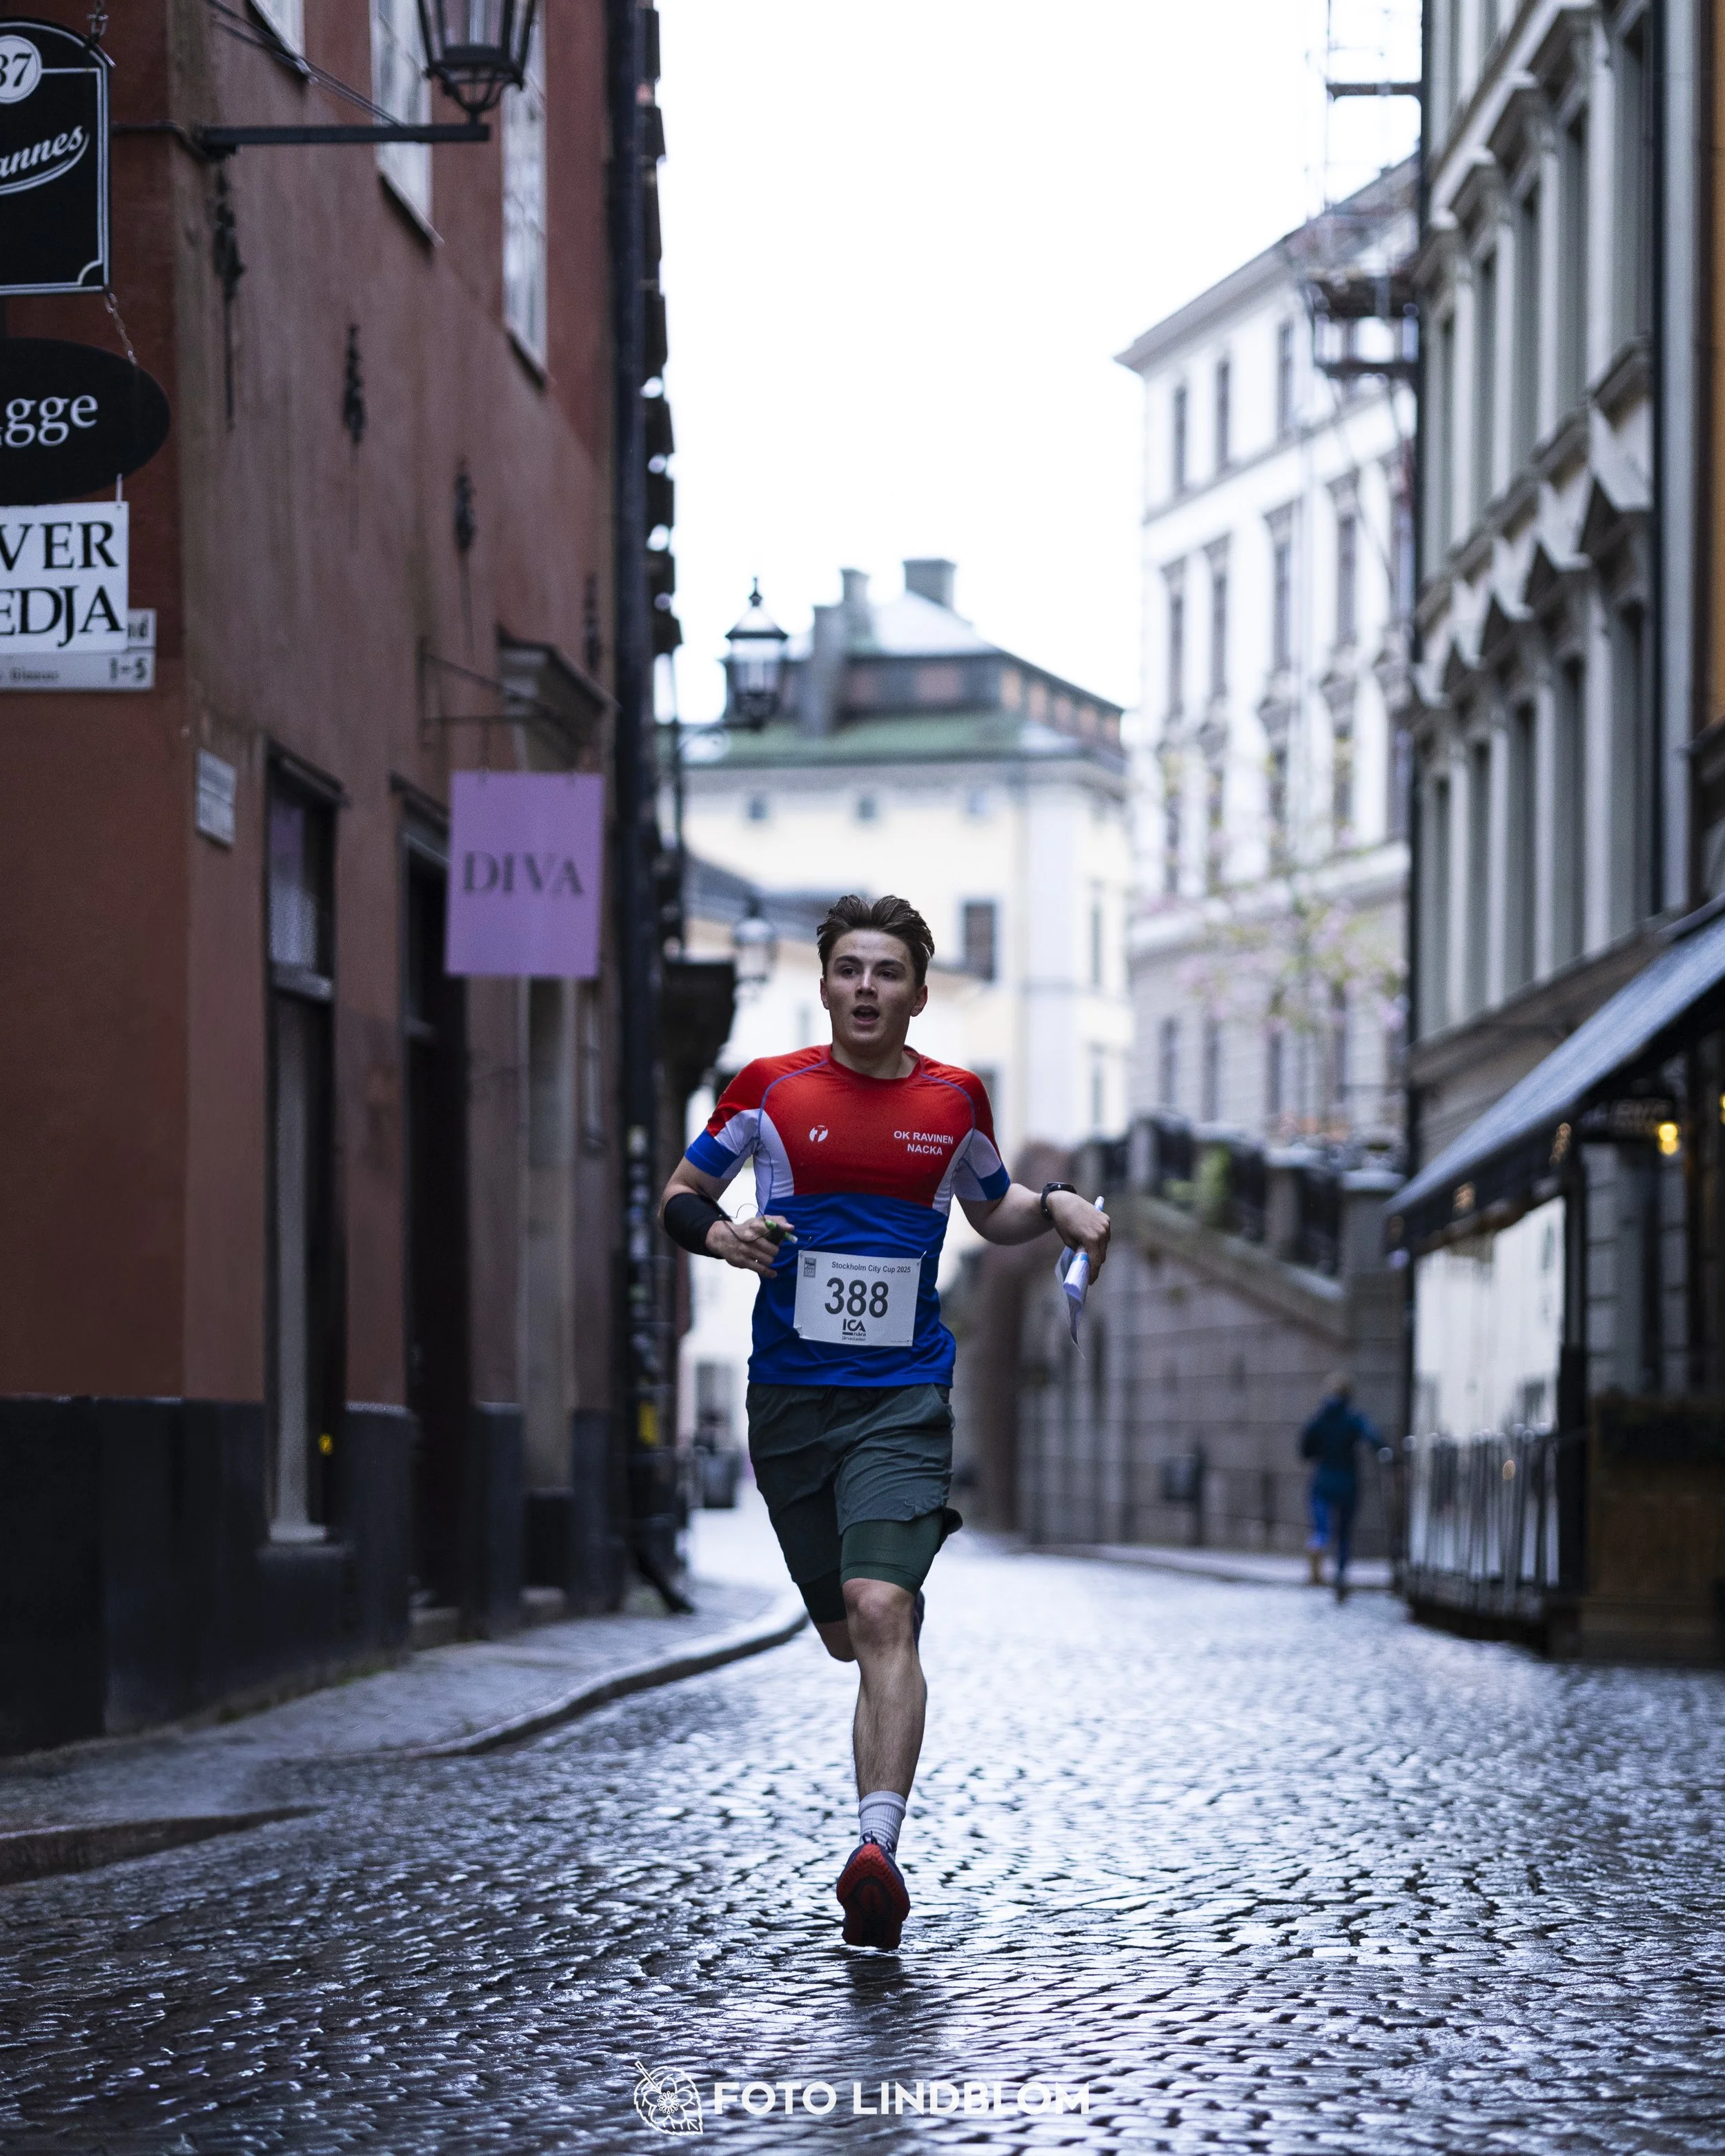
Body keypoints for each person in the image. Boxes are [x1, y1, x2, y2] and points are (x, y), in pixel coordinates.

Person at [660, 893, 1111, 1951]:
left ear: (916, 990)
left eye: (888, 972)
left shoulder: (956, 1100)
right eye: (850, 969)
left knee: (881, 1612)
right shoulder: (770, 1091)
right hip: (789, 1401)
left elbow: (990, 1208)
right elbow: (682, 1193)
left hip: (904, 1396)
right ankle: (879, 1691)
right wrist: (724, 1238)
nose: (867, 987)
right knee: (841, 1631)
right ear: (825, 983)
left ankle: (877, 1852)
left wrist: (1054, 1206)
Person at [1299, 1371, 1384, 1599]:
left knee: (1322, 1527)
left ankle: (1317, 1543)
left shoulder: (1320, 1417)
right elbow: (1372, 1436)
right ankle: (1340, 1572)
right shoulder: (1353, 1417)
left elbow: (1306, 1446)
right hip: (1347, 1481)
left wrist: (1317, 1451)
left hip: (1323, 1479)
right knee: (1344, 1531)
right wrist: (1384, 1451)